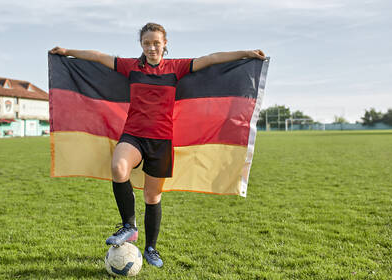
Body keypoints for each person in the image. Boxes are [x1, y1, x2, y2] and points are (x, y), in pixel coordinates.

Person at [50, 22, 266, 268]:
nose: (151, 47)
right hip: (133, 135)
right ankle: (129, 226)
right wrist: (68, 50)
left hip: (161, 141)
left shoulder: (177, 67)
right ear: (141, 45)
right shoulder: (131, 66)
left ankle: (151, 248)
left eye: (156, 43)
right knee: (119, 167)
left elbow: (212, 59)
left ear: (165, 44)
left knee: (152, 196)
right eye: (146, 43)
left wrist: (245, 54)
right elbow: (99, 57)